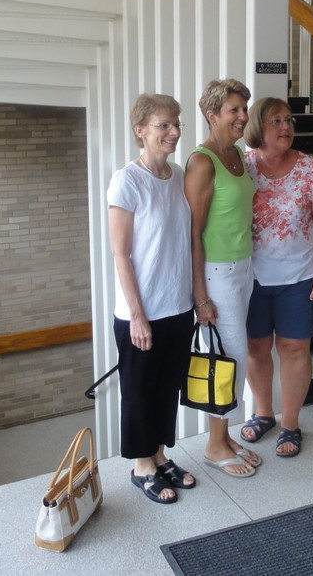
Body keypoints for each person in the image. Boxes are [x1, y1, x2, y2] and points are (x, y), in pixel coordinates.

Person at [107, 94, 196, 504]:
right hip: (141, 312)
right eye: (164, 125)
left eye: (176, 124)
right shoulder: (127, 181)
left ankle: (159, 455)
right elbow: (121, 254)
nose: (174, 132)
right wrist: (137, 316)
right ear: (141, 130)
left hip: (177, 306)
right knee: (139, 390)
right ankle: (142, 466)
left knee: (166, 388)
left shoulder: (178, 176)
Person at [240, 97, 313, 458]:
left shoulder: (311, 169)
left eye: (288, 120)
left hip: (299, 276)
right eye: (276, 121)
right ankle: (263, 413)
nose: (286, 127)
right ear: (257, 127)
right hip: (249, 278)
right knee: (255, 348)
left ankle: (291, 424)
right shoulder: (241, 166)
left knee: (294, 348)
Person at [184, 79, 262, 478]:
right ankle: (214, 445)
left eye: (244, 108)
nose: (243, 116)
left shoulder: (237, 155)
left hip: (243, 267)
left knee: (236, 355)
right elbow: (193, 233)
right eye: (234, 109)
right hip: (216, 273)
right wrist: (200, 296)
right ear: (212, 114)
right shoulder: (203, 162)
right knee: (229, 357)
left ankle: (225, 437)